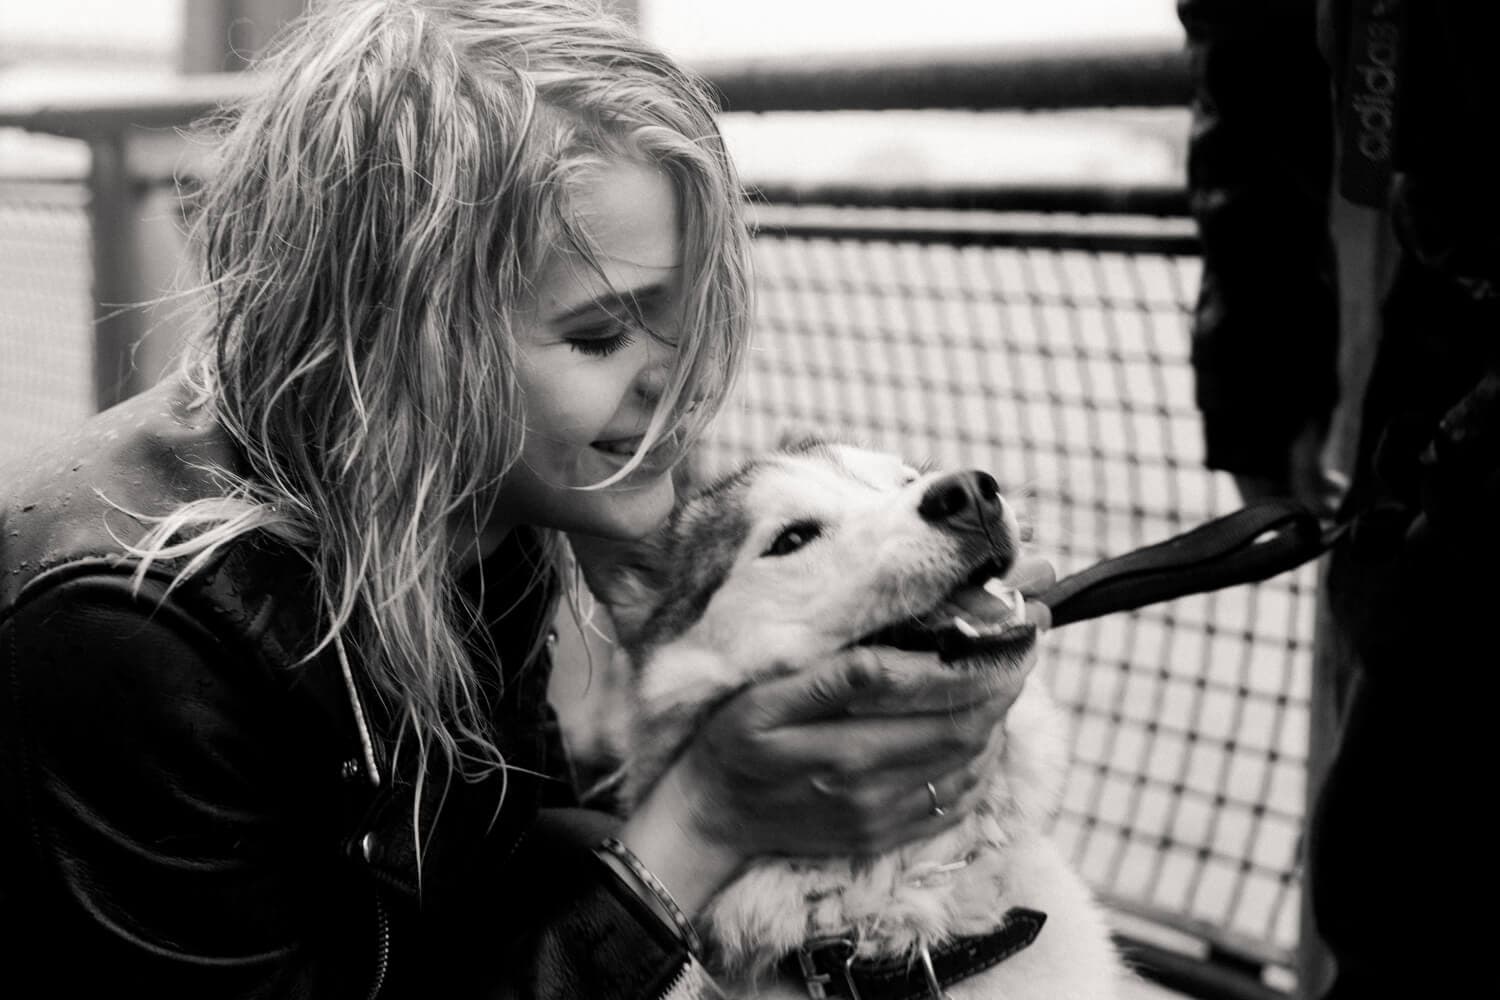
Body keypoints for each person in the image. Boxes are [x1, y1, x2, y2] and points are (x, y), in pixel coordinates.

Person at [0, 2, 1054, 997]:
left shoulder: (473, 498)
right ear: (398, 343)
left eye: (687, 320)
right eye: (600, 335)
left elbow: (493, 857)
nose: (677, 383)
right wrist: (705, 817)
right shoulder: (130, 630)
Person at [1178, 1, 1499, 996]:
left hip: (1449, 357)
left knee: (1403, 872)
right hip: (1447, 367)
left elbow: (1251, 51)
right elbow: (1255, 47)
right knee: (1402, 871)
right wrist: (1261, 367)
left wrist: (1258, 367)